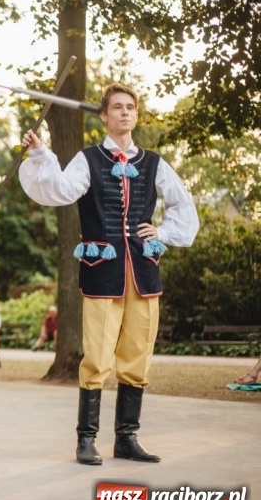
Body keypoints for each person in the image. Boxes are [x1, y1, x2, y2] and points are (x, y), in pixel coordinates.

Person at [19, 83, 199, 466]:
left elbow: (183, 208)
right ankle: (87, 440)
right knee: (97, 356)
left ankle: (127, 438)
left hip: (144, 274)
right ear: (104, 115)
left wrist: (162, 232)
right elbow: (63, 189)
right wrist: (40, 154)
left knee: (137, 357)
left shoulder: (154, 163)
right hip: (102, 273)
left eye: (130, 107)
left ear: (136, 114)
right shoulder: (88, 159)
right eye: (117, 107)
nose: (124, 113)